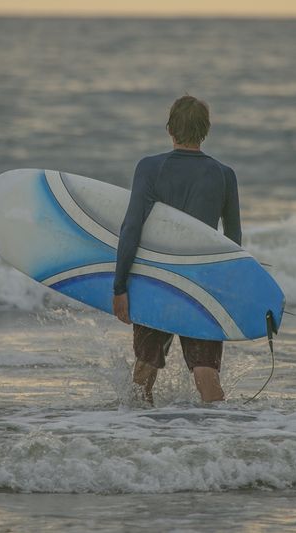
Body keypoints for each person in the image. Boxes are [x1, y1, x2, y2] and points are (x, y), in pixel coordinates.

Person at [112, 95, 241, 404]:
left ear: (169, 128)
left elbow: (131, 229)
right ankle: (225, 441)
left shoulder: (149, 168)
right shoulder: (224, 175)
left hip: (157, 282)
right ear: (206, 130)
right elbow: (233, 241)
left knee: (145, 371)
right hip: (202, 285)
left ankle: (140, 438)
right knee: (205, 372)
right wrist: (227, 293)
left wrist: (120, 286)